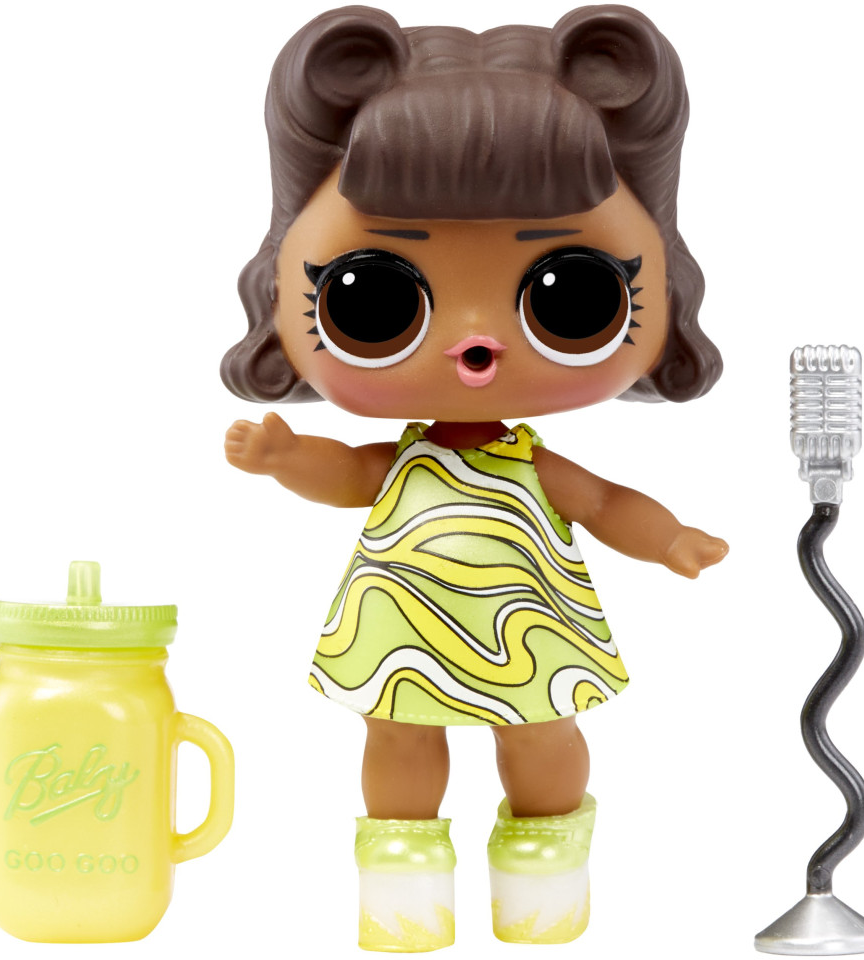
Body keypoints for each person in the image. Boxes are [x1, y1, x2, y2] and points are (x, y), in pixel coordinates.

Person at [222, 5, 727, 950]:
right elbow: (351, 473)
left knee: (541, 735)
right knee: (396, 737)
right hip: (401, 632)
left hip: (526, 635)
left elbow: (602, 502)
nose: (477, 342)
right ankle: (401, 892)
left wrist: (667, 539)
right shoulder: (410, 457)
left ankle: (545, 880)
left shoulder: (529, 461)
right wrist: (287, 458)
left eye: (569, 295)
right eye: (374, 298)